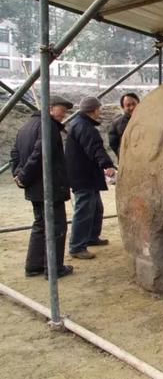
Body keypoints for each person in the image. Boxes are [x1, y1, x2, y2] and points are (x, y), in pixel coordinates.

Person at [10, 96, 75, 278]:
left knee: (40, 225)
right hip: (49, 186)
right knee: (56, 226)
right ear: (50, 108)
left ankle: (34, 266)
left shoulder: (25, 126)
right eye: (61, 110)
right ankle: (53, 268)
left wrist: (18, 175)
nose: (64, 114)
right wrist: (23, 176)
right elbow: (40, 154)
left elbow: (15, 153)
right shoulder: (49, 127)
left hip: (34, 187)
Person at [66, 96, 116, 259]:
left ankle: (91, 237)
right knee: (84, 210)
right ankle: (77, 247)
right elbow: (95, 148)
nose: (100, 112)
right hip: (83, 176)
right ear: (93, 110)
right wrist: (106, 165)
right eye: (98, 109)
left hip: (87, 175)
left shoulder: (81, 124)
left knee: (95, 208)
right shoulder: (83, 126)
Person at [108, 92, 139, 159]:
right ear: (123, 107)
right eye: (128, 105)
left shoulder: (148, 120)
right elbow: (113, 144)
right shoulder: (116, 124)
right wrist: (122, 156)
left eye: (134, 104)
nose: (132, 107)